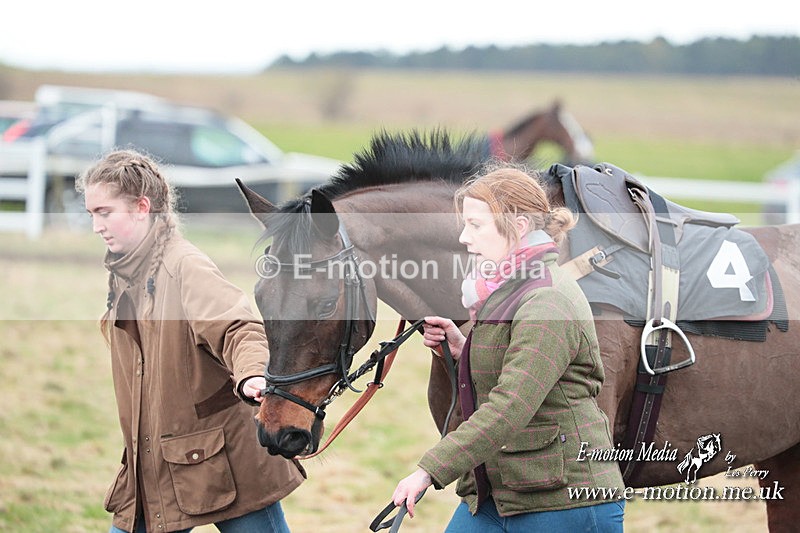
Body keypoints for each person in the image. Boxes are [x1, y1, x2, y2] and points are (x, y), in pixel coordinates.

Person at [77, 149, 305, 533]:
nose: (97, 225)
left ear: (141, 208)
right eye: (91, 215)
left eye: (104, 212)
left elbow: (239, 327)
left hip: (229, 462)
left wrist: (251, 375)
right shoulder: (124, 270)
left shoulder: (183, 266)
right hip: (158, 464)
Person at [391, 165, 625, 532]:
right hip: (497, 492)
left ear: (517, 227)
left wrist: (427, 472)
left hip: (563, 501)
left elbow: (511, 404)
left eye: (476, 225)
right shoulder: (510, 288)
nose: (465, 238)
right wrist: (463, 349)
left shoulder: (547, 300)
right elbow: (517, 363)